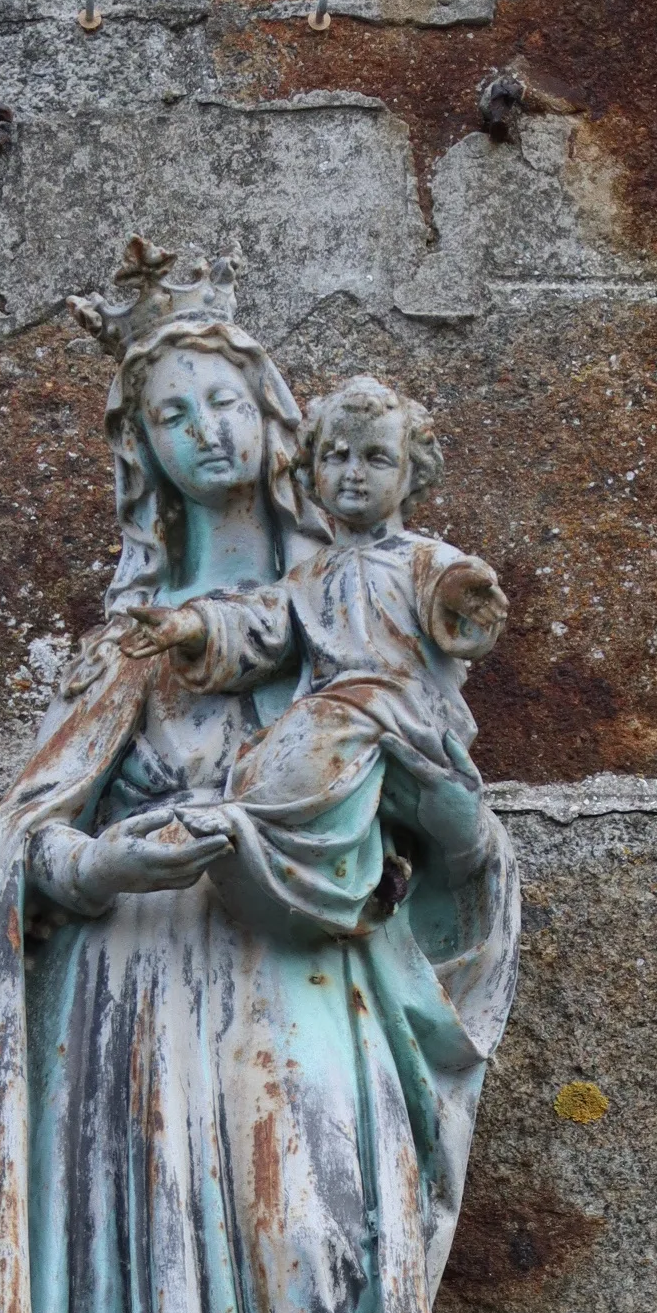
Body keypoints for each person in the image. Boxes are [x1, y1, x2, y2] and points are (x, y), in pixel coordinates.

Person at [0, 247, 520, 1313]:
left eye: (224, 404)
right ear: (146, 455)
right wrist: (107, 868)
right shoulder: (144, 653)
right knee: (135, 1306)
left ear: (277, 417)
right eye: (172, 415)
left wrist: (427, 787)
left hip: (297, 996)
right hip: (128, 1018)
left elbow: (459, 868)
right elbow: (28, 855)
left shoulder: (360, 611)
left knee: (306, 1262)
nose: (205, 433)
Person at [124, 373, 508, 936]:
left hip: (406, 713)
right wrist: (191, 625)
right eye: (336, 455)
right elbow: (259, 626)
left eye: (376, 457)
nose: (352, 473)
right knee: (273, 749)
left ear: (411, 473)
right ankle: (327, 866)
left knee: (321, 731)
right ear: (310, 470)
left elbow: (461, 602)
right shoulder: (308, 577)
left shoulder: (423, 560)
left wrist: (468, 603)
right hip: (336, 719)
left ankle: (269, 829)